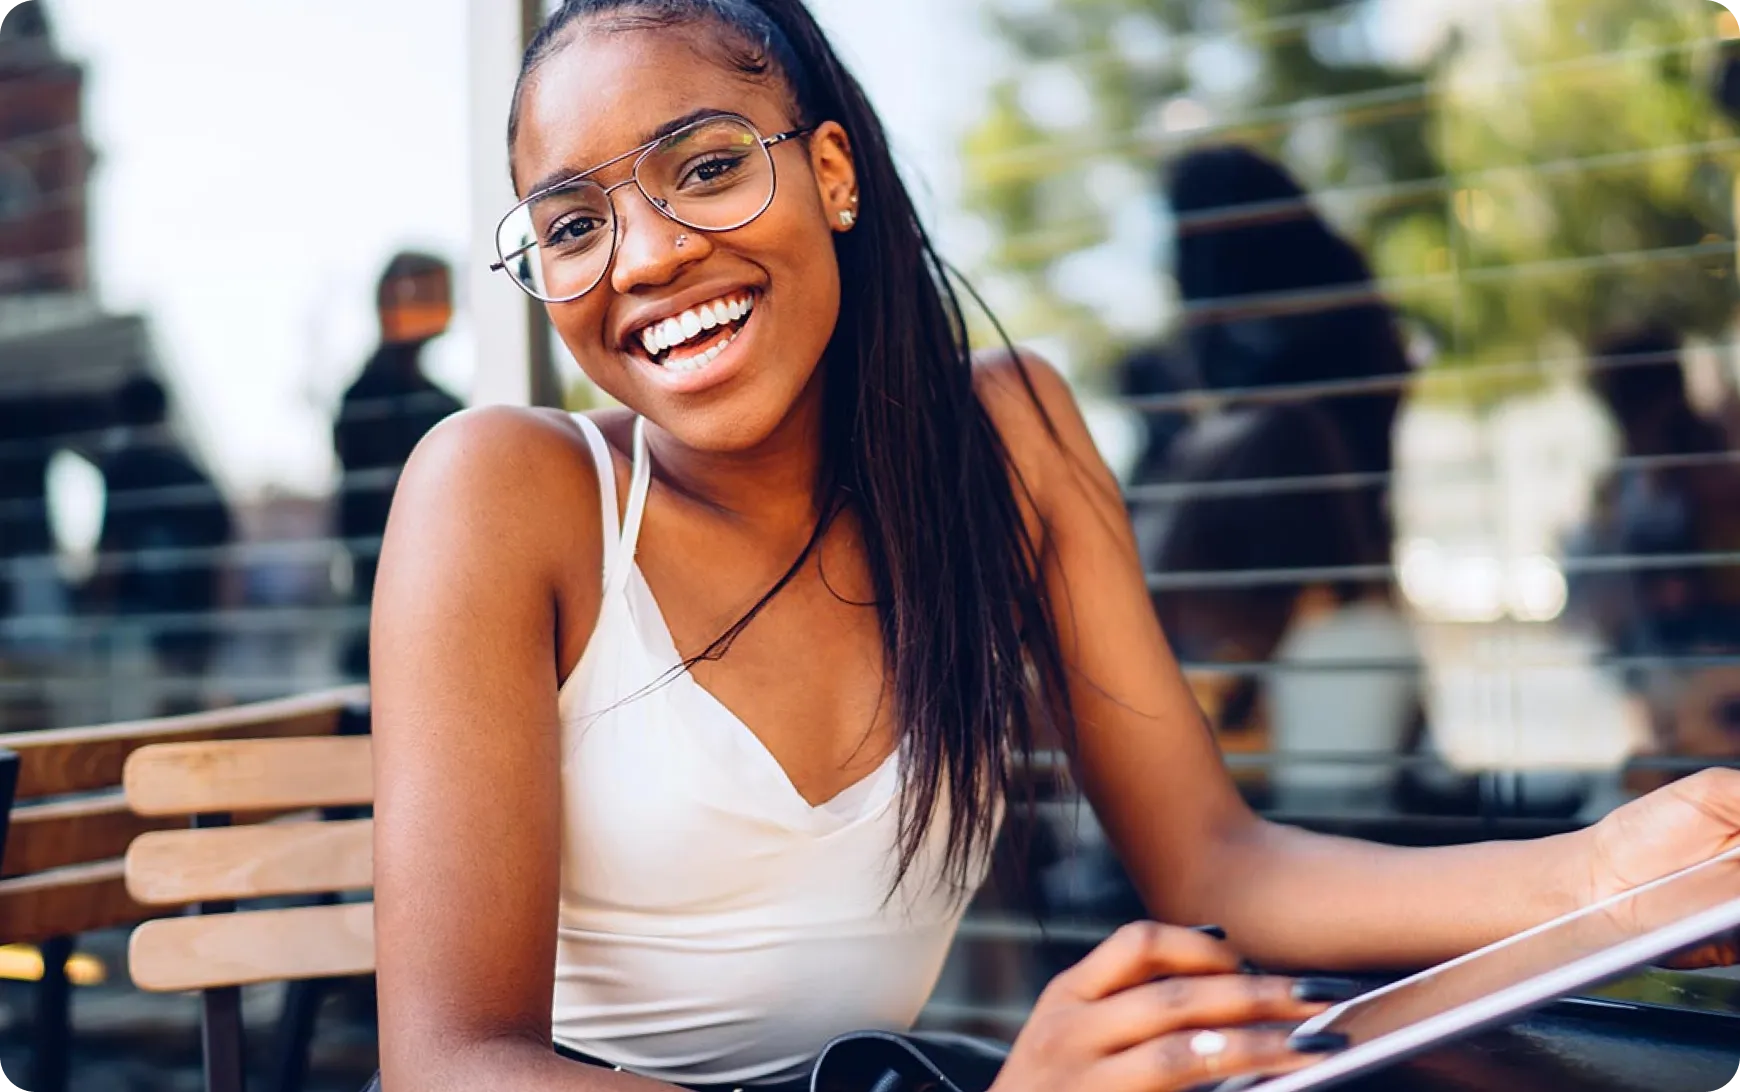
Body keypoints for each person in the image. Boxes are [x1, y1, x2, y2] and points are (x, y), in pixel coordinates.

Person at [367, 3, 1740, 1091]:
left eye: (710, 167)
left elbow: (1216, 866)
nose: (647, 255)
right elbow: (448, 1065)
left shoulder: (1008, 437)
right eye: (573, 225)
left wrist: (1605, 874)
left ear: (831, 173)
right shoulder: (507, 488)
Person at [332, 251, 464, 678]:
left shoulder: (433, 400)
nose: (446, 304)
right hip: (398, 585)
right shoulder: (372, 399)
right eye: (428, 292)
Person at [90, 373, 233, 714]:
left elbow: (112, 542)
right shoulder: (183, 465)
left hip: (153, 612)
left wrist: (98, 599)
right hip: (191, 607)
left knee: (155, 702)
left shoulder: (126, 466)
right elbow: (222, 531)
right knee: (182, 697)